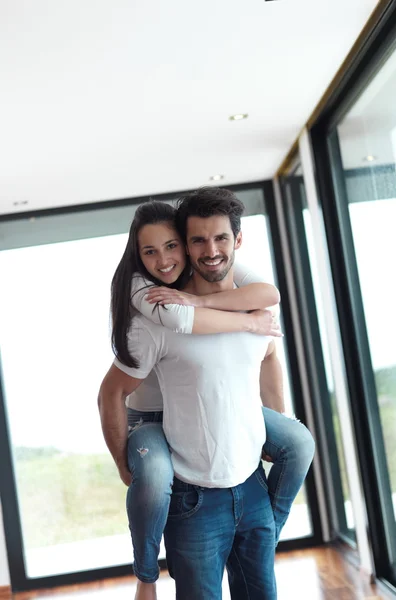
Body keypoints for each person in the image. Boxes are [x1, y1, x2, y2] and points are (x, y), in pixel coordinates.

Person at [98, 191, 315, 599]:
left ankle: (271, 528)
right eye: (197, 240)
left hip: (252, 489)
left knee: (300, 442)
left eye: (220, 239)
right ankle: (145, 578)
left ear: (238, 240)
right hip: (193, 500)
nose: (210, 250)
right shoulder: (158, 316)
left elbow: (268, 358)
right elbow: (111, 393)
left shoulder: (256, 309)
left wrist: (275, 421)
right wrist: (123, 464)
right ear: (186, 244)